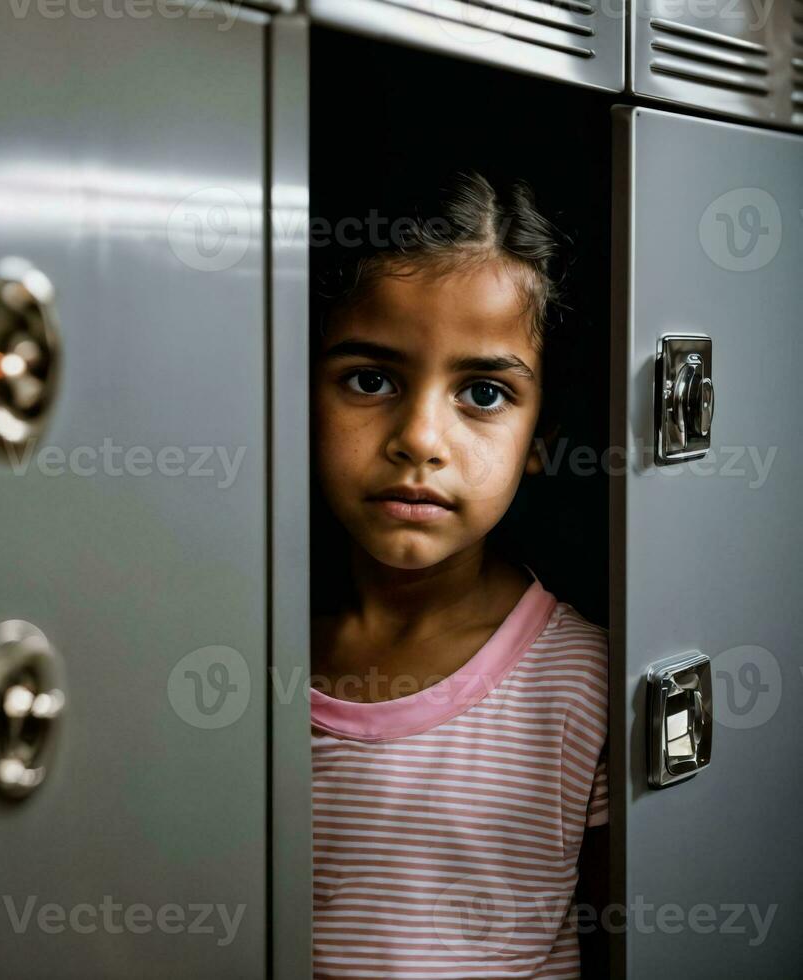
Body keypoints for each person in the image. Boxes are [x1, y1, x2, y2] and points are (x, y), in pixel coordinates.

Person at [309, 170, 609, 979]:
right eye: (371, 380)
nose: (420, 439)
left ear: (541, 432)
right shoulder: (250, 651)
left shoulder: (584, 678)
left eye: (482, 392)